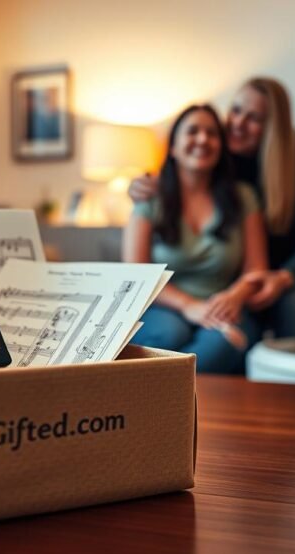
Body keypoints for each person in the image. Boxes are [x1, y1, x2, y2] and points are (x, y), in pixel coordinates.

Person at [130, 78, 295, 339]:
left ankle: (289, 378)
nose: (238, 123)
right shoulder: (217, 143)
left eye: (254, 118)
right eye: (236, 110)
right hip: (227, 266)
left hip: (277, 266)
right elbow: (178, 172)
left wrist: (283, 277)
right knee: (175, 332)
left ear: (271, 127)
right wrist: (140, 185)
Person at [124, 104, 267, 374]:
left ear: (221, 146)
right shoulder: (149, 198)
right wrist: (190, 307)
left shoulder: (243, 196)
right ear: (174, 147)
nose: (202, 139)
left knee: (223, 344)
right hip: (164, 308)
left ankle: (168, 404)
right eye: (192, 131)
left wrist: (235, 296)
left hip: (223, 307)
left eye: (212, 133)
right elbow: (137, 273)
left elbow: (256, 268)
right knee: (168, 336)